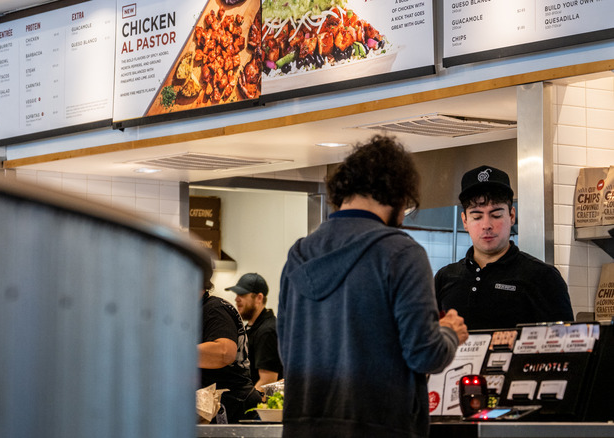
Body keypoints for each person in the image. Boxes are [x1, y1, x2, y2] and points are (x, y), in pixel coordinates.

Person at [278, 134, 469, 438]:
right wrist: (449, 332)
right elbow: (424, 354)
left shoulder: (298, 255)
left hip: (303, 428)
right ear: (397, 194)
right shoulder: (401, 253)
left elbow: (287, 354)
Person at [435, 165, 574, 330]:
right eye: (477, 216)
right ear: (465, 221)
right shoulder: (445, 277)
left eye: (496, 215)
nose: (486, 225)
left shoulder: (543, 277)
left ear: (512, 216)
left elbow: (566, 345)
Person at [199, 279, 261, 423]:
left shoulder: (214, 309)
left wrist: (171, 351)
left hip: (233, 407)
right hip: (216, 407)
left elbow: (224, 352)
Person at [225, 272, 283, 393]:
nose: (236, 299)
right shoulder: (251, 328)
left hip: (258, 408)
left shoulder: (267, 331)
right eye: (236, 294)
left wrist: (244, 405)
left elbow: (267, 382)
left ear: (259, 298)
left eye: (242, 294)